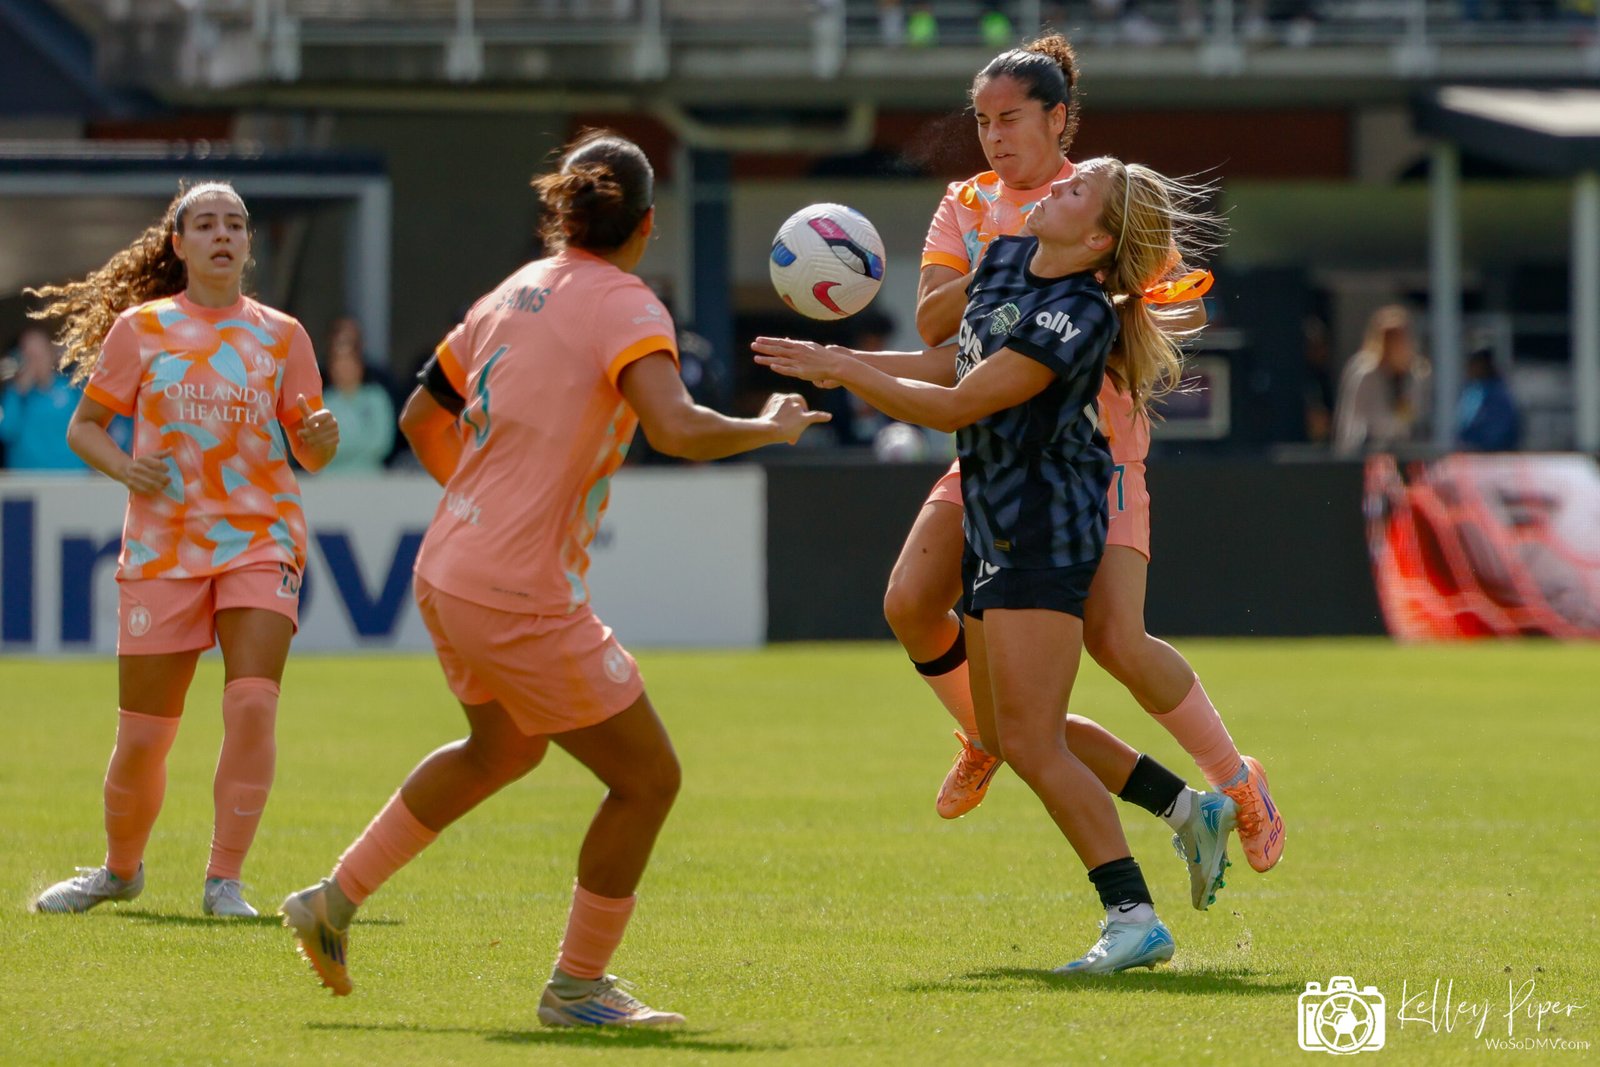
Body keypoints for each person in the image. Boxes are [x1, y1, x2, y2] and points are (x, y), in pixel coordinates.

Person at [279, 130, 829, 1024]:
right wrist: (768, 427)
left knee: (501, 749)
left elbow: (421, 419)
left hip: (448, 566)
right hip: (515, 590)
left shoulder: (511, 292)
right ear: (646, 225)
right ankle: (577, 986)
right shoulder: (629, 305)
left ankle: (331, 901)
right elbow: (676, 428)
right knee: (648, 780)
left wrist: (487, 509)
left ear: (562, 216)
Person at [756, 157, 1225, 972]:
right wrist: (839, 359)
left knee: (1033, 744)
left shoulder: (1078, 315)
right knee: (1005, 731)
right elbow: (951, 365)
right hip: (993, 513)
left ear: (1098, 240)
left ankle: (1133, 916)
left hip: (1044, 525)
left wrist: (848, 369)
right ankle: (1186, 808)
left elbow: (958, 405)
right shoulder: (1006, 258)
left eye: (1075, 192)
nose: (1055, 189)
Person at [897, 35, 1285, 876]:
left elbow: (1176, 309)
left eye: (1011, 118)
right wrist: (1013, 257)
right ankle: (985, 733)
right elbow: (931, 323)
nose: (994, 136)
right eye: (982, 121)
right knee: (909, 601)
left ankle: (1236, 782)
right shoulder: (970, 204)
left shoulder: (1102, 198)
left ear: (1058, 119)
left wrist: (1089, 302)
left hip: (1093, 454)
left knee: (1116, 638)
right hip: (995, 443)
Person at [27, 182, 341, 918]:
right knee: (142, 738)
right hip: (164, 546)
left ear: (248, 244)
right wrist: (125, 467)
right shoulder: (140, 329)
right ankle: (119, 871)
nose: (222, 235)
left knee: (253, 705)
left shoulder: (284, 335)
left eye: (235, 224)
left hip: (261, 537)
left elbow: (311, 449)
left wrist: (322, 441)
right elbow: (85, 428)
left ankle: (224, 881)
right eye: (205, 225)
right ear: (179, 244)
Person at [1333, 304, 1430, 456]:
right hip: (1368, 451)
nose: (1399, 346)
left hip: (1407, 451)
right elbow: (1351, 421)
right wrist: (1347, 454)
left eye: (1402, 340)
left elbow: (1419, 415)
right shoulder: (1365, 372)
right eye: (1392, 340)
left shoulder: (1417, 373)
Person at [0, 324, 89, 471]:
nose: (36, 362)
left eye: (40, 354)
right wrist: (19, 391)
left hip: (70, 475)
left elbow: (90, 429)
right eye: (30, 356)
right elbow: (5, 432)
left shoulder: (72, 388)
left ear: (51, 354)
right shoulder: (14, 393)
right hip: (24, 476)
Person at [318, 316, 395, 474]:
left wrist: (342, 447)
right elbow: (320, 447)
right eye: (338, 362)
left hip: (371, 476)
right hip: (329, 479)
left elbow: (381, 443)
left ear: (360, 364)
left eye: (349, 361)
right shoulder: (321, 401)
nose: (344, 368)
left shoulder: (377, 397)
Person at [1456, 348, 1520, 452]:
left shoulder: (1495, 394)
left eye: (1473, 365)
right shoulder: (1474, 390)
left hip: (1490, 453)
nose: (1469, 370)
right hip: (1475, 450)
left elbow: (1498, 430)